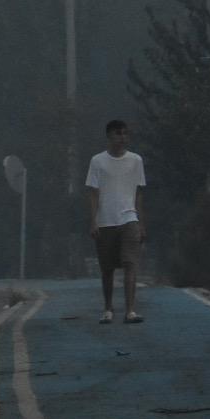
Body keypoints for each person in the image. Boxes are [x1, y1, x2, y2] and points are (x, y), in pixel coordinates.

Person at [85, 119, 146, 323]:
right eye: (119, 133)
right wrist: (93, 221)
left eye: (125, 133)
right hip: (105, 221)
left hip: (129, 219)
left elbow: (138, 193)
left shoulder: (136, 160)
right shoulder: (97, 161)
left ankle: (130, 310)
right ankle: (108, 307)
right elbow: (93, 193)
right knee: (107, 268)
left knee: (130, 263)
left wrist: (140, 223)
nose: (123, 137)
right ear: (109, 136)